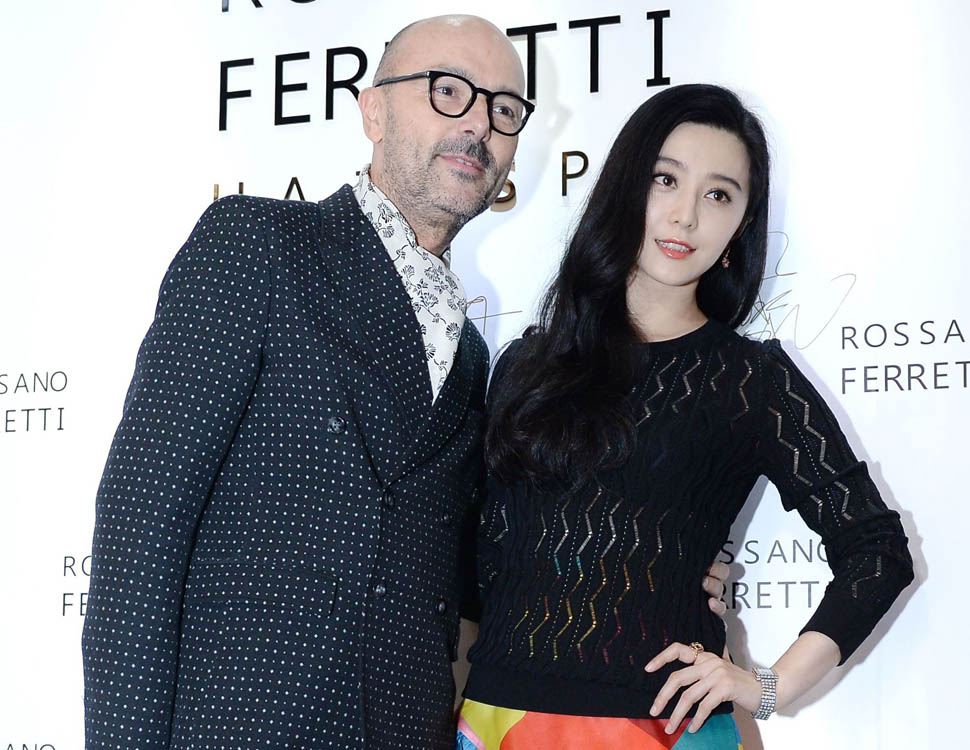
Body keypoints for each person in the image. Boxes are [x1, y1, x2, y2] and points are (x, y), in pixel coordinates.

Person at [80, 14, 729, 750]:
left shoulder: (479, 361)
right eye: (447, 90)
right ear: (373, 111)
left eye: (504, 109)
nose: (478, 124)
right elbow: (142, 519)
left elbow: (484, 570)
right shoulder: (257, 245)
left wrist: (656, 559)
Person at [457, 84, 914, 749]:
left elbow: (877, 550)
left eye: (719, 195)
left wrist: (770, 687)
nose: (686, 216)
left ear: (740, 228)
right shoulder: (525, 366)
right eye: (665, 179)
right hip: (498, 721)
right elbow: (476, 573)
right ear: (623, 189)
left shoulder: (752, 381)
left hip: (662, 728)